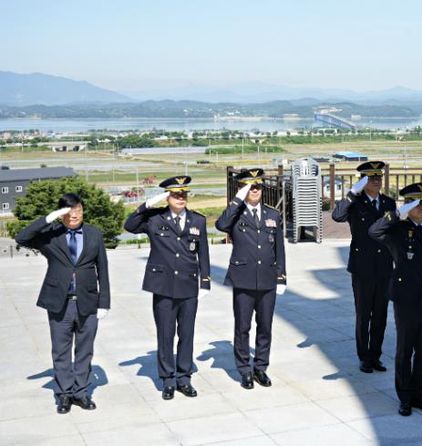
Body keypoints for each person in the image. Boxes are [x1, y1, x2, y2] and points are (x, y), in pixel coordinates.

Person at [15, 193, 110, 414]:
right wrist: (49, 218)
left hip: (88, 302)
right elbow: (22, 237)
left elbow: (103, 269)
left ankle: (81, 393)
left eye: (78, 209)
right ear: (61, 213)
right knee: (61, 351)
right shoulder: (51, 234)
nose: (74, 214)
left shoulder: (94, 234)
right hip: (60, 303)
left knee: (85, 351)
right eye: (69, 210)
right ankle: (65, 394)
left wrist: (104, 302)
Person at [124, 176, 211, 400]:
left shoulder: (198, 220)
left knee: (187, 334)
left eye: (184, 194)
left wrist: (205, 281)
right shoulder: (154, 218)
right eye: (175, 194)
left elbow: (203, 252)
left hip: (188, 285)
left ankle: (184, 378)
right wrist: (147, 205)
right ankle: (168, 380)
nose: (181, 198)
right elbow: (129, 226)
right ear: (167, 197)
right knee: (165, 334)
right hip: (163, 286)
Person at [368, 183, 422, 417]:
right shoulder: (398, 230)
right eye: (417, 202)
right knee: (405, 350)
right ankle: (404, 397)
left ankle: (421, 395)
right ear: (407, 205)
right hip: (407, 300)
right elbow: (374, 232)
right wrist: (396, 214)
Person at [215, 168, 287, 390]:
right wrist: (237, 199)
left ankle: (261, 367)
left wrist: (281, 276)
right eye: (249, 186)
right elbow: (220, 225)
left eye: (257, 186)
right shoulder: (234, 214)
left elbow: (279, 249)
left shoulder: (273, 215)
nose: (255, 190)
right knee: (242, 327)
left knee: (265, 326)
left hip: (267, 278)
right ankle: (244, 369)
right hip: (243, 279)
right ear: (242, 189)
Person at [331, 161, 396, 373]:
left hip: (384, 266)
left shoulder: (388, 203)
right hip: (362, 267)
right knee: (364, 315)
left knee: (380, 315)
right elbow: (337, 216)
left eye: (379, 177)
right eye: (371, 178)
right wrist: (351, 193)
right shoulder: (355, 203)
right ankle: (364, 357)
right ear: (363, 181)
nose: (376, 181)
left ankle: (376, 356)